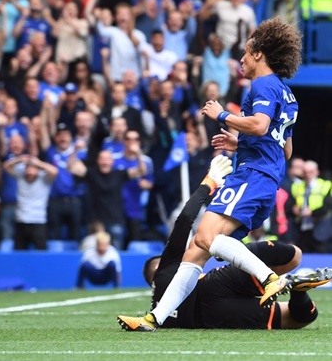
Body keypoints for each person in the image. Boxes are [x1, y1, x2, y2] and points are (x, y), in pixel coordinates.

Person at [118, 16, 302, 331]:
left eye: (245, 52)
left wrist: (223, 115)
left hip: (251, 176)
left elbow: (258, 124)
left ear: (259, 54)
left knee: (205, 237)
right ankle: (154, 318)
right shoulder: (287, 94)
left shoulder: (263, 83)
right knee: (196, 250)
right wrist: (239, 141)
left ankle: (268, 277)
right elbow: (285, 148)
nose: (241, 59)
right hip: (263, 177)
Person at [120, 155, 331, 330]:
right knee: (294, 255)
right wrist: (208, 183)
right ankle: (271, 278)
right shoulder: (167, 266)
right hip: (215, 284)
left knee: (298, 320)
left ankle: (298, 291)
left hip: (217, 317)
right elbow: (184, 220)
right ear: (158, 266)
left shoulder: (160, 305)